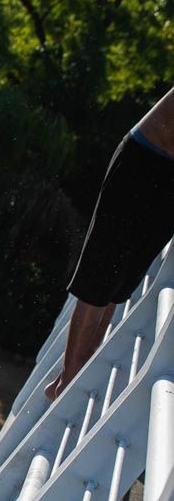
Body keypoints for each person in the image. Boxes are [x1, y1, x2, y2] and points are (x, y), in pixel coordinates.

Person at [47, 85, 174, 400]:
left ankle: (80, 368)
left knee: (120, 283)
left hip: (170, 176)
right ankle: (68, 379)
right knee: (99, 275)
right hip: (144, 159)